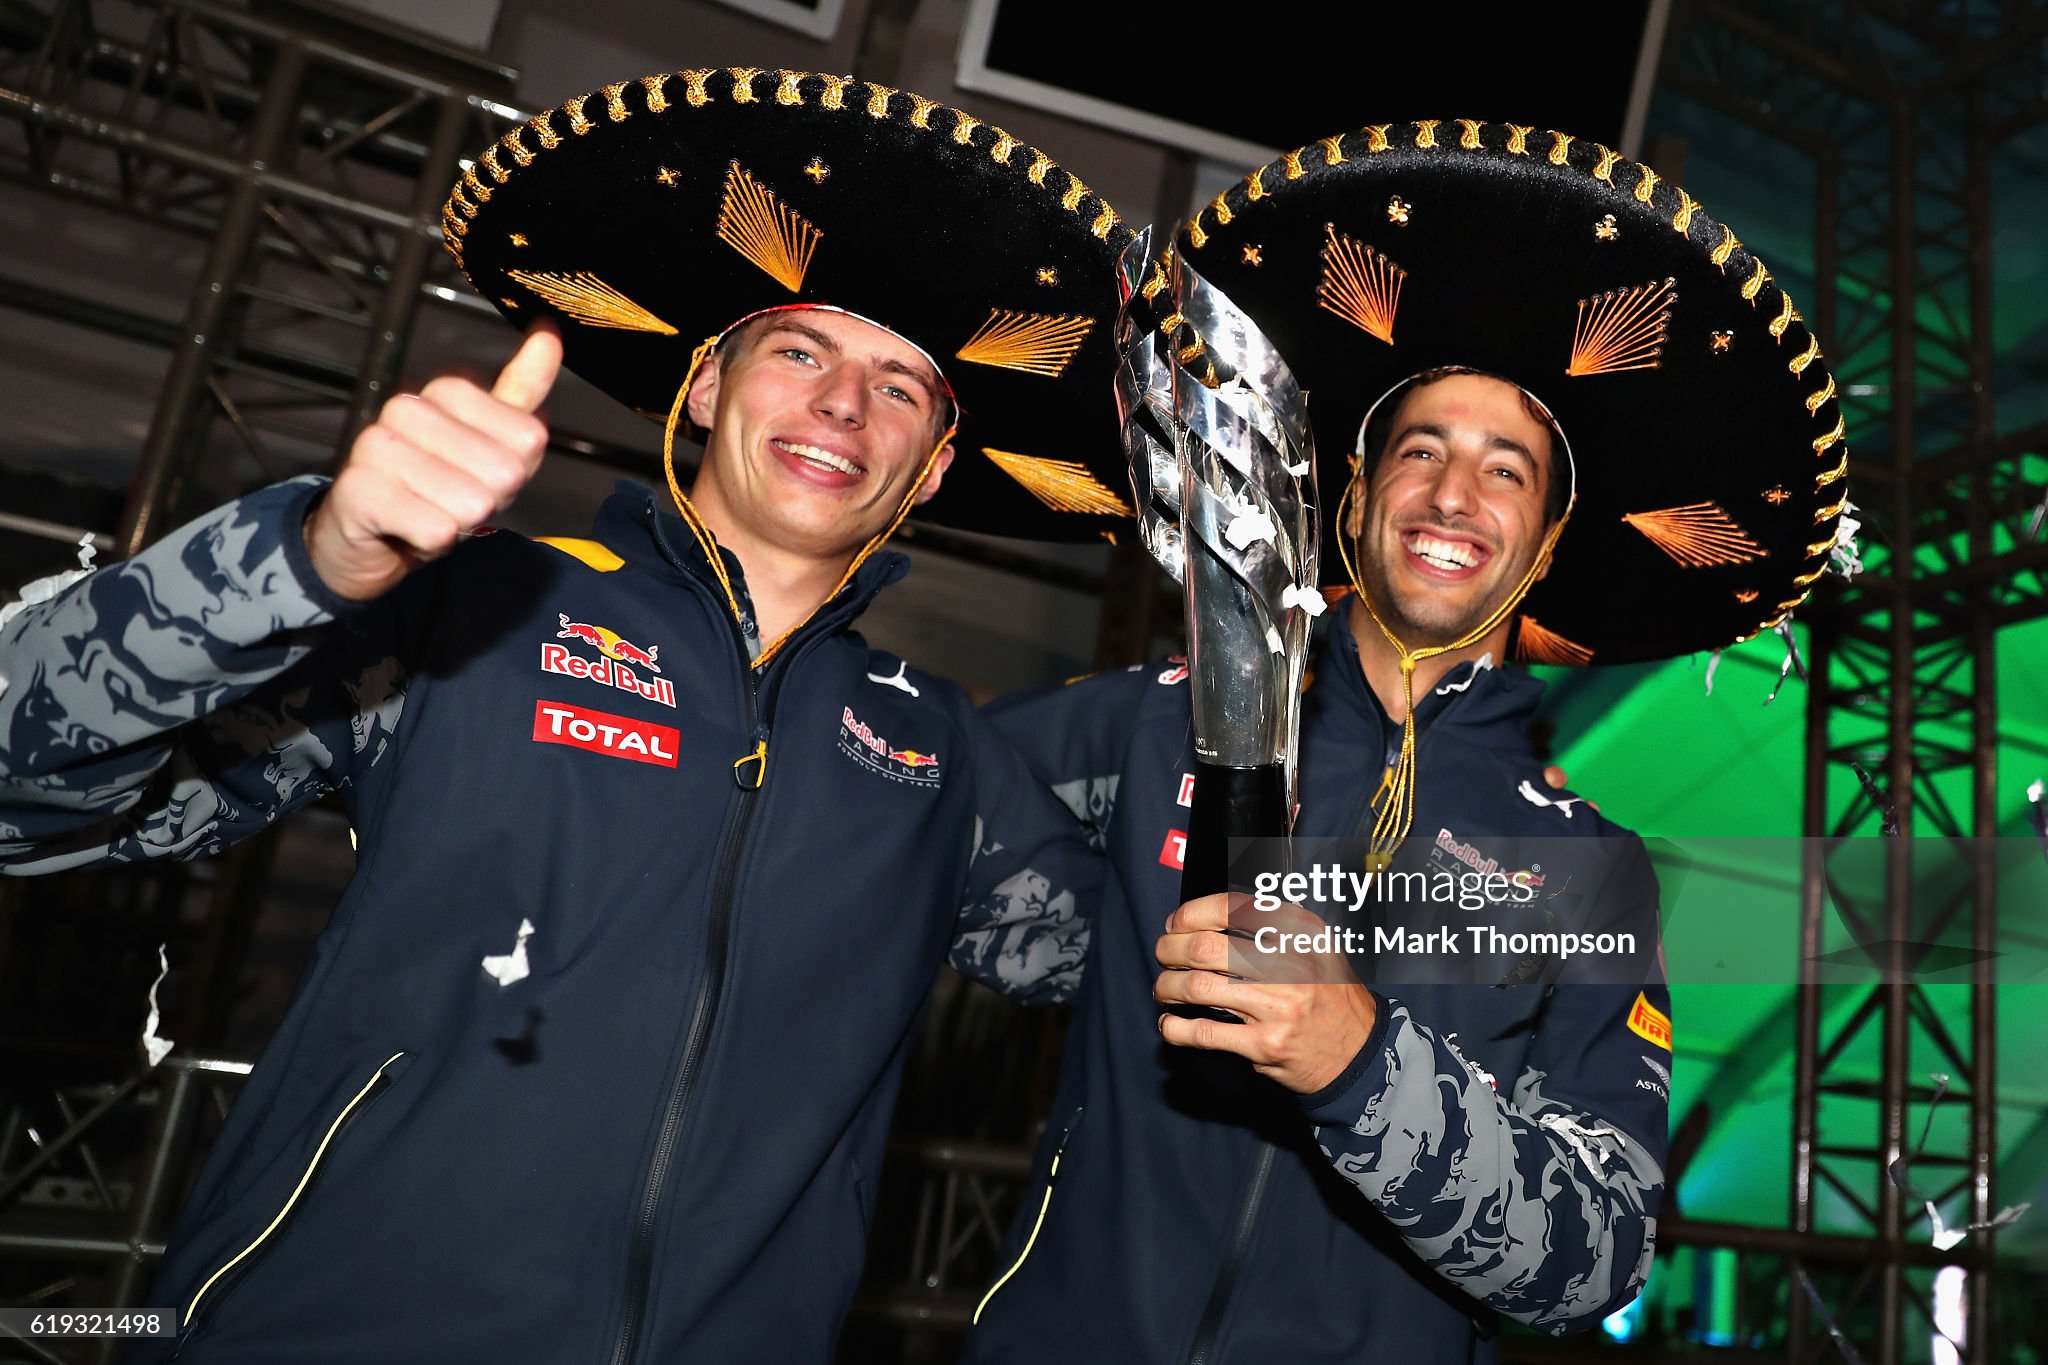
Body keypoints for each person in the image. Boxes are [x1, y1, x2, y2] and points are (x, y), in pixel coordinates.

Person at [0, 68, 1134, 1362]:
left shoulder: (943, 749)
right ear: (705, 388)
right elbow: (26, 794)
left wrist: (1267, 736)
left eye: (900, 386)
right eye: (801, 349)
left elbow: (1214, 985)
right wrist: (308, 562)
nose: (840, 406)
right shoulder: (475, 612)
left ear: (929, 465)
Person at [965, 118, 1853, 1362]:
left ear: (1543, 544)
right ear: (1356, 493)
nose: (1450, 496)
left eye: (1506, 472)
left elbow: (1596, 1254)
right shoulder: (1154, 717)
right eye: (1419, 450)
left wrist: (1357, 1062)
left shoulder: (1585, 869)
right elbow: (901, 825)